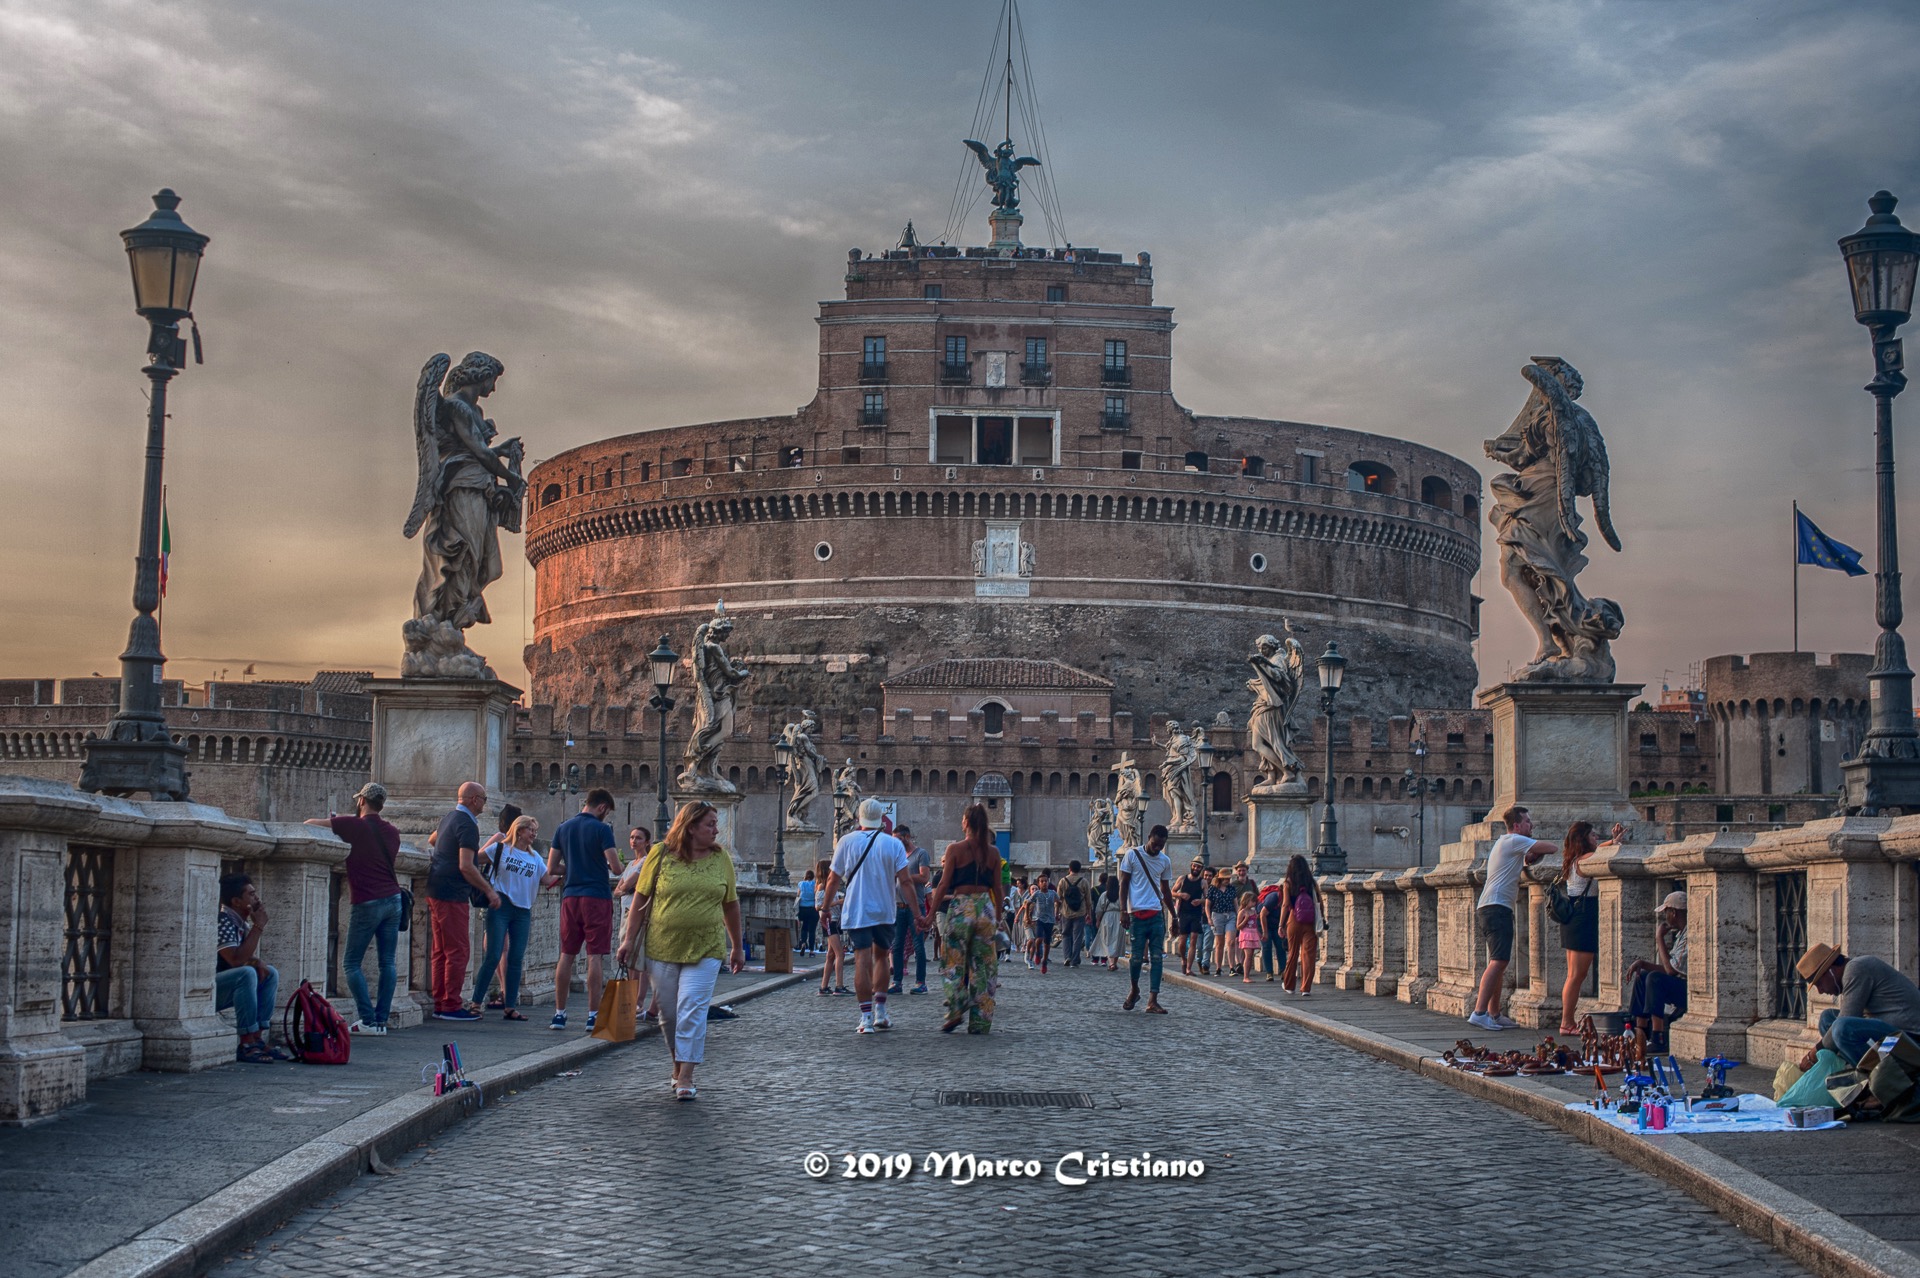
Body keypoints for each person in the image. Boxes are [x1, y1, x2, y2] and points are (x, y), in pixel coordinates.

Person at [615, 802, 744, 1101]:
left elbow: (731, 904)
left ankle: (686, 1075)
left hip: (707, 946)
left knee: (692, 1008)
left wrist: (736, 946)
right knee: (670, 1015)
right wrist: (628, 940)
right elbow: (640, 900)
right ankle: (678, 1064)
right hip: (663, 945)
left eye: (716, 824)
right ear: (690, 827)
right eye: (710, 824)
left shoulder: (720, 857)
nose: (716, 829)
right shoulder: (659, 854)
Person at [303, 781, 402, 1035]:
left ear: (361, 801)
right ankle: (380, 1021)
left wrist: (339, 823)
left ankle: (367, 1020)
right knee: (388, 963)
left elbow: (309, 825)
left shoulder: (353, 825)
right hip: (393, 898)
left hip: (367, 900)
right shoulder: (392, 832)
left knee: (350, 963)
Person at [820, 798, 922, 1034]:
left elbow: (833, 879)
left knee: (861, 960)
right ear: (882, 821)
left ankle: (865, 1018)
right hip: (885, 911)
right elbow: (906, 882)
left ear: (859, 818)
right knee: (881, 958)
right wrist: (917, 913)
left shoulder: (846, 841)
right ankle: (881, 1013)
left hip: (857, 910)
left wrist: (825, 909)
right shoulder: (893, 844)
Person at [545, 788, 623, 1033]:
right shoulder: (602, 830)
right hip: (596, 897)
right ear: (602, 807)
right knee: (594, 955)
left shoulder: (563, 828)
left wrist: (574, 868)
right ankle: (592, 1016)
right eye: (607, 812)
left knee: (566, 955)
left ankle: (559, 1014)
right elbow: (616, 867)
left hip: (570, 897)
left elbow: (552, 868)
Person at [1470, 805, 1549, 1032]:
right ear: (1516, 825)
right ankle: (1479, 1012)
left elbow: (1526, 858)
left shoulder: (1506, 843)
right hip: (1497, 908)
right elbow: (1551, 847)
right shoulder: (1514, 840)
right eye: (1527, 822)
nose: (1531, 826)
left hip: (1491, 907)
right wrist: (1538, 849)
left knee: (1499, 961)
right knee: (1498, 962)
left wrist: (1532, 855)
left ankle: (1494, 1013)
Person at [927, 803, 1005, 1033]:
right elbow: (998, 889)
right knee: (984, 966)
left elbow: (942, 884)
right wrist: (998, 917)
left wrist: (931, 914)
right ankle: (981, 1022)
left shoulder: (955, 849)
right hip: (985, 908)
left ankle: (958, 1004)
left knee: (952, 960)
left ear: (966, 823)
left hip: (962, 907)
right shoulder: (994, 853)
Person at [471, 815, 557, 1020]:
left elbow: (547, 879)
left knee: (516, 958)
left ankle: (510, 1005)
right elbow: (473, 859)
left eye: (535, 830)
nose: (534, 834)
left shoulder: (535, 857)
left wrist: (571, 873)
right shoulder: (500, 849)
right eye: (531, 829)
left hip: (523, 910)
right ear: (519, 830)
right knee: (493, 955)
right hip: (501, 905)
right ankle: (475, 1003)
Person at [426, 781, 494, 1021]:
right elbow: (466, 866)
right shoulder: (467, 824)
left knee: (441, 951)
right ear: (474, 799)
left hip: (435, 888)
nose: (485, 803)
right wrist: (489, 891)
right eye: (484, 799)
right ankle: (451, 1005)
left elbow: (433, 840)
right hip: (453, 892)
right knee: (458, 950)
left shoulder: (449, 818)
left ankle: (440, 1002)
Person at [1796, 943, 1920, 1068]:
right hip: (1890, 1036)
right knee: (1827, 1019)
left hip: (1909, 1039)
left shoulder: (1856, 968)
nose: (1821, 991)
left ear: (1831, 971)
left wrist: (1813, 1055)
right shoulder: (1852, 970)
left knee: (1841, 1028)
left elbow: (1846, 1019)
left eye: (1819, 983)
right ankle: (1857, 1067)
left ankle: (1877, 1073)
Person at [216, 872, 289, 1062]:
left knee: (270, 972)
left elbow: (244, 956)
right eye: (251, 894)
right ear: (236, 901)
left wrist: (257, 962)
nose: (257, 898)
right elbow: (235, 960)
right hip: (214, 989)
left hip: (228, 983)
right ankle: (246, 1041)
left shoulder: (239, 921)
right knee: (246, 974)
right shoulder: (224, 919)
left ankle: (257, 1038)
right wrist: (259, 926)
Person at [1557, 820, 1621, 1034]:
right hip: (1583, 918)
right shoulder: (1585, 860)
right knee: (1577, 976)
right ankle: (1566, 1023)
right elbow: (1606, 855)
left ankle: (1567, 1021)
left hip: (1575, 917)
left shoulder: (1575, 859)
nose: (1597, 839)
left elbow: (1601, 850)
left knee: (1573, 975)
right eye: (1593, 835)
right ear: (1583, 839)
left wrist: (1613, 840)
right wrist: (1615, 844)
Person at [1118, 825, 1175, 1013]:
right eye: (1155, 844)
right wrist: (1123, 910)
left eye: (1161, 845)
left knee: (1157, 958)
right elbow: (1124, 883)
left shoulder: (1165, 861)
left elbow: (1165, 889)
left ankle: (1152, 1000)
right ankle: (1134, 989)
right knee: (1135, 958)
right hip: (1136, 915)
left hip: (1156, 914)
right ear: (1148, 838)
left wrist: (1174, 916)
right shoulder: (1132, 855)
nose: (1157, 848)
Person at [1623, 891, 1689, 1054]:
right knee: (1643, 975)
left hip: (1688, 991)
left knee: (1654, 979)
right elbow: (1672, 967)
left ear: (1673, 912)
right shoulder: (1680, 934)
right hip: (1678, 982)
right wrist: (1643, 964)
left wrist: (1659, 938)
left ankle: (1657, 1037)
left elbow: (1671, 971)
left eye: (1666, 912)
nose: (1665, 916)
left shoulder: (1689, 935)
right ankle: (1640, 1032)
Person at [890, 824, 932, 994]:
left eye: (898, 839)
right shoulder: (896, 856)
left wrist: (903, 876)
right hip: (898, 905)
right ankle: (897, 982)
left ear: (907, 837)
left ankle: (920, 982)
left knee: (918, 945)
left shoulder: (921, 854)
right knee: (897, 946)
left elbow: (924, 877)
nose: (896, 843)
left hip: (916, 906)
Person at [1281, 855, 1322, 995]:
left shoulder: (1288, 883)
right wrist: (1322, 918)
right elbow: (1319, 902)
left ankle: (1289, 986)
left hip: (1294, 919)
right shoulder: (1311, 882)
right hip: (1310, 921)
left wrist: (1281, 924)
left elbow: (1286, 904)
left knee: (1292, 953)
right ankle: (1306, 988)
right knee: (1309, 955)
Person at [815, 858, 849, 996]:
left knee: (830, 955)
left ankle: (824, 986)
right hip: (829, 922)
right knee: (839, 954)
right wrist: (838, 902)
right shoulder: (821, 887)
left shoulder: (828, 885)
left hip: (834, 921)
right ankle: (839, 986)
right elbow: (818, 906)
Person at [1173, 857, 1208, 976]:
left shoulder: (1203, 882)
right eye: (1194, 866)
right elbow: (1172, 891)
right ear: (1191, 866)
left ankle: (1188, 968)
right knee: (1182, 941)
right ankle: (1183, 958)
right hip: (1183, 912)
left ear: (1201, 869)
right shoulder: (1183, 879)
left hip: (1196, 913)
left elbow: (1207, 898)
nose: (1196, 868)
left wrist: (1200, 901)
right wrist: (1180, 895)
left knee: (1193, 939)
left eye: (1198, 867)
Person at [1058, 859, 1092, 968]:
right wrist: (1089, 914)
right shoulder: (1084, 881)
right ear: (1079, 869)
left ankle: (1067, 956)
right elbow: (1088, 900)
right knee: (1078, 936)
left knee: (1066, 935)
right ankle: (1075, 959)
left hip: (1066, 912)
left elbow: (1058, 899)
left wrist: (1057, 912)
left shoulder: (1063, 881)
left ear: (1069, 869)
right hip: (1080, 912)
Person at [1207, 869, 1238, 978]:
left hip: (1230, 915)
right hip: (1217, 915)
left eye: (1228, 878)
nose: (1227, 880)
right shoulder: (1213, 889)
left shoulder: (1232, 888)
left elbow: (1235, 903)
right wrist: (1209, 918)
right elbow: (1207, 905)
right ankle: (1218, 968)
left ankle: (1231, 967)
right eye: (1225, 878)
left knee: (1230, 941)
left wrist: (1238, 915)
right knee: (1219, 943)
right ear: (1220, 878)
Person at [1090, 872, 1124, 970]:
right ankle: (1115, 962)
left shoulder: (1104, 895)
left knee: (1107, 941)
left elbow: (1099, 909)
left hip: (1107, 917)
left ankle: (1111, 963)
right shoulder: (1121, 894)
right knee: (1117, 941)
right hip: (1119, 917)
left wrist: (1098, 920)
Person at [1027, 870, 1059, 975]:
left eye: (1046, 881)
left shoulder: (1052, 893)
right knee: (1039, 938)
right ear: (1039, 883)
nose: (1044, 883)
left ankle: (1044, 961)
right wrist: (1027, 916)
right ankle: (1037, 952)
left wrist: (1057, 913)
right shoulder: (1037, 894)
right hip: (1039, 919)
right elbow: (1028, 903)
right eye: (1042, 881)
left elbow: (1058, 901)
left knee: (1047, 942)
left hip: (1050, 920)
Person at [1258, 879, 1288, 984]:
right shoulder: (1274, 897)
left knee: (1280, 945)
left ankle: (1284, 971)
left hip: (1277, 923)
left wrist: (1283, 929)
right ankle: (1269, 972)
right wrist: (1264, 932)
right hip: (1263, 922)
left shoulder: (1288, 899)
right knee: (1266, 946)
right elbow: (1262, 915)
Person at [1235, 891, 1261, 984]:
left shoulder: (1253, 911)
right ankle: (1246, 976)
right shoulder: (1242, 912)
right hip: (1246, 934)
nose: (1254, 903)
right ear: (1246, 901)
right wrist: (1246, 919)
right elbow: (1238, 926)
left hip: (1253, 933)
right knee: (1248, 955)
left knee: (1251, 956)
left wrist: (1259, 933)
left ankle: (1247, 975)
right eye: (1252, 901)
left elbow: (1256, 925)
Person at [796, 868, 820, 954]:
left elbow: (798, 895)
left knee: (804, 927)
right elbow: (817, 895)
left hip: (803, 909)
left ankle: (803, 944)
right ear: (813, 876)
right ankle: (811, 950)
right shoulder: (815, 884)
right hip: (813, 909)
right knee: (812, 930)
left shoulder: (801, 884)